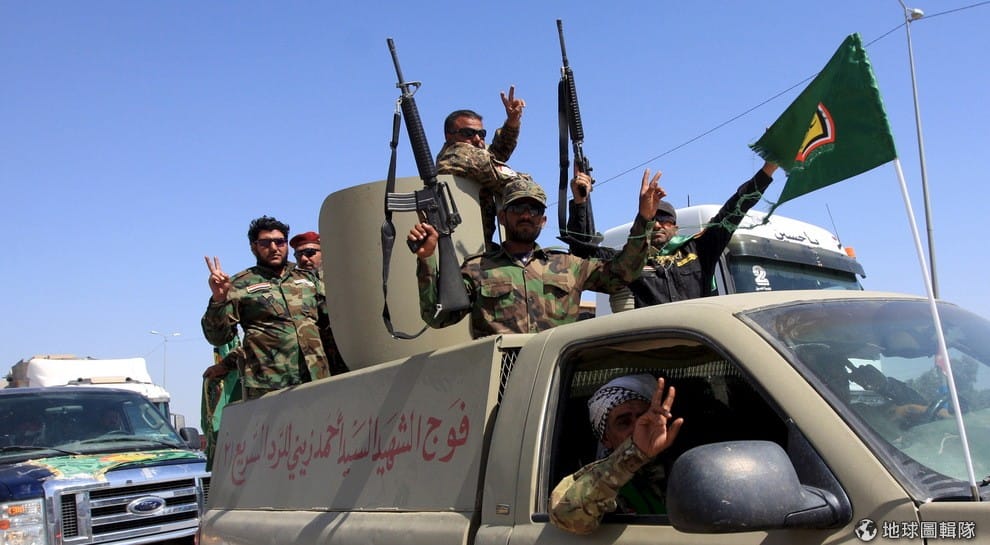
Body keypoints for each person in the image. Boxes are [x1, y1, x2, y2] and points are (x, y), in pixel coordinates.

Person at [408, 170, 662, 339]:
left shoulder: (569, 265)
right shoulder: (477, 268)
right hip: (500, 375)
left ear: (543, 220)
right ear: (502, 217)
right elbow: (438, 317)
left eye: (534, 210)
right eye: (518, 208)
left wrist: (644, 220)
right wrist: (427, 259)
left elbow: (622, 274)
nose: (526, 215)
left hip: (553, 376)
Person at [569, 161, 778, 307]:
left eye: (665, 220)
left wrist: (768, 169)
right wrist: (580, 201)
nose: (658, 225)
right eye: (653, 219)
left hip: (698, 349)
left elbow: (733, 210)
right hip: (651, 354)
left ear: (675, 228)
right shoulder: (628, 260)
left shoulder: (699, 249)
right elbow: (581, 254)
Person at [201, 216, 339, 400]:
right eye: (265, 243)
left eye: (279, 242)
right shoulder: (239, 285)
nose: (274, 248)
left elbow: (333, 323)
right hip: (269, 387)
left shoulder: (308, 279)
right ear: (254, 247)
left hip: (317, 378)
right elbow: (218, 338)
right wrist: (218, 300)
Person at [549, 374, 684, 535]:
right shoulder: (602, 482)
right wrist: (634, 456)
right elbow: (566, 516)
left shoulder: (680, 470)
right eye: (624, 423)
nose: (638, 429)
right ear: (606, 439)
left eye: (644, 419)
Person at [435, 86, 527, 246]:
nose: (478, 139)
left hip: (475, 242)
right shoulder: (457, 153)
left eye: (481, 134)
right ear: (449, 136)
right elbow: (504, 177)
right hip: (463, 245)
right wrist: (528, 182)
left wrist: (512, 122)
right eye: (468, 133)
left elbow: (494, 155)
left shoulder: (471, 158)